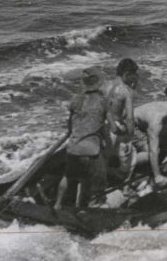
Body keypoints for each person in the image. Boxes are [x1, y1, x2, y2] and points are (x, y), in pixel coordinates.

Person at [55, 66, 116, 210]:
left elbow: (70, 128)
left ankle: (57, 204)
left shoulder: (75, 99)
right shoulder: (103, 101)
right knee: (99, 185)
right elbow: (113, 128)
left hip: (73, 149)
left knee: (67, 177)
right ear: (99, 82)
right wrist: (122, 128)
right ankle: (92, 208)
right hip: (91, 152)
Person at [132, 99, 167, 185]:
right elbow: (153, 151)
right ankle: (125, 164)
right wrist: (158, 177)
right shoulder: (156, 121)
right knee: (153, 151)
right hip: (133, 127)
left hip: (145, 124)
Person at [99, 58, 139, 155]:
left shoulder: (103, 85)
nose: (135, 78)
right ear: (127, 74)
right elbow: (129, 119)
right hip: (115, 129)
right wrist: (130, 139)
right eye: (133, 75)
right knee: (129, 161)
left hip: (99, 126)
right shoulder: (127, 91)